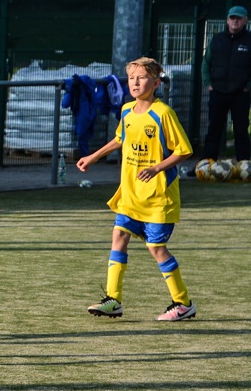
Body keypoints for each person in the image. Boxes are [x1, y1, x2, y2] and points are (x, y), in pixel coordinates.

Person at [77, 57, 196, 322]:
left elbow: (184, 150)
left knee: (157, 249)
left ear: (155, 83)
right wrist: (93, 156)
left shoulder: (163, 113)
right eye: (131, 77)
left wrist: (156, 168)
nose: (135, 82)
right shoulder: (127, 111)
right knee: (118, 235)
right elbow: (120, 138)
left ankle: (183, 303)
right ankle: (113, 299)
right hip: (131, 194)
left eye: (141, 78)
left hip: (157, 197)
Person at [200, 5, 251, 162]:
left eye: (238, 18)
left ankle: (244, 165)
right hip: (218, 91)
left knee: (241, 130)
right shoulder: (217, 39)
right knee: (214, 128)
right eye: (232, 18)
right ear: (227, 20)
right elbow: (206, 62)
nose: (235, 21)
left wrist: (248, 86)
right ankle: (206, 164)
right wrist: (208, 83)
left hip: (240, 93)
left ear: (245, 21)